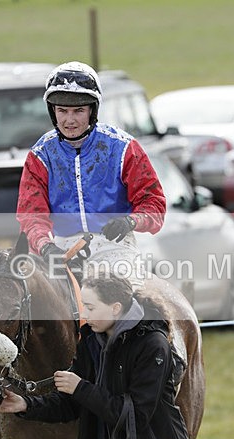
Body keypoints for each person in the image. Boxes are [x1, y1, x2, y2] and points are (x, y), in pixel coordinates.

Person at [0, 274, 191, 439]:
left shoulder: (153, 344)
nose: (84, 315)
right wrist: (26, 405)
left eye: (90, 307)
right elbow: (71, 404)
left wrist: (81, 387)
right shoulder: (90, 341)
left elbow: (134, 415)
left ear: (115, 308)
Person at [16, 61, 166, 286]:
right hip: (60, 249)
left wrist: (130, 222)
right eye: (62, 111)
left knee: (128, 305)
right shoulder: (40, 155)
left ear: (92, 111)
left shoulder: (124, 148)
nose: (69, 120)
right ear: (52, 112)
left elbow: (154, 205)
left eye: (78, 111)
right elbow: (31, 215)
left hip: (114, 247)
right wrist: (45, 245)